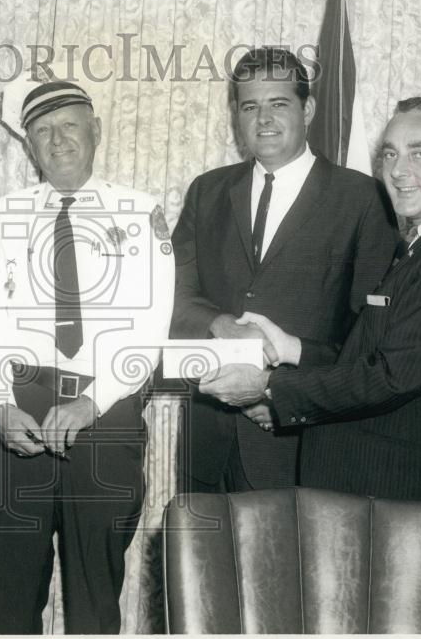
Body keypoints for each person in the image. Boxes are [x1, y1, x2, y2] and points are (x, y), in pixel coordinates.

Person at [206, 97, 421, 633]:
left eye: (419, 154)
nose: (399, 171)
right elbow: (373, 357)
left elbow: (395, 376)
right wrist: (289, 350)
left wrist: (274, 391)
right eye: (390, 155)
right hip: (390, 521)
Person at [0, 79, 175, 633]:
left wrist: (92, 402)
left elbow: (151, 325)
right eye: (42, 132)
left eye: (69, 127)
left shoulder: (140, 212)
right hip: (20, 407)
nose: (57, 141)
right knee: (7, 597)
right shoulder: (2, 216)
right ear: (29, 146)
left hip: (106, 412)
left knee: (94, 595)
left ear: (96, 133)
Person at [170, 46, 398, 493]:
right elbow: (173, 294)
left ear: (308, 108)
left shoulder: (363, 200)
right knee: (200, 564)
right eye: (250, 106)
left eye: (279, 104)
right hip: (208, 441)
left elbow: (368, 336)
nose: (264, 119)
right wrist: (220, 325)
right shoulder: (208, 191)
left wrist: (280, 389)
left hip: (301, 441)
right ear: (237, 116)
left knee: (289, 565)